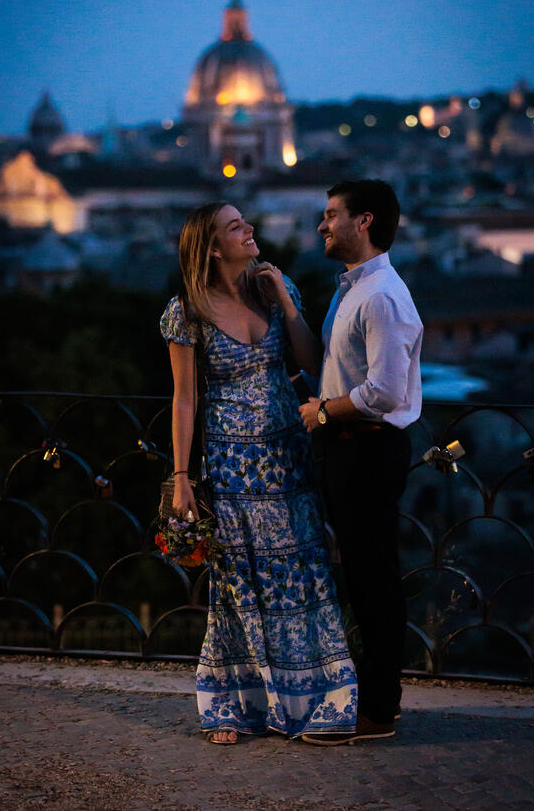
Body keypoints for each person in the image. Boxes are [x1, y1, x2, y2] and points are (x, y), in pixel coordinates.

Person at [160, 202, 358, 746]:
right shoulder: (187, 312)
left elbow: (310, 363)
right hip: (231, 466)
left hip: (289, 457)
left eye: (246, 222)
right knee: (240, 582)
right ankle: (236, 704)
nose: (249, 231)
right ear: (214, 247)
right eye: (235, 227)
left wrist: (287, 307)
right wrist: (181, 476)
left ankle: (319, 698)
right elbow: (184, 399)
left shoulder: (276, 286)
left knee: (300, 574)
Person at [299, 180, 423, 741]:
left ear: (364, 221)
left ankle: (378, 709)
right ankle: (370, 701)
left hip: (368, 447)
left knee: (374, 581)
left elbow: (386, 392)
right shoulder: (353, 289)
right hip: (351, 448)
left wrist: (322, 414)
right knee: (364, 576)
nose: (322, 226)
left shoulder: (380, 296)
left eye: (331, 215)